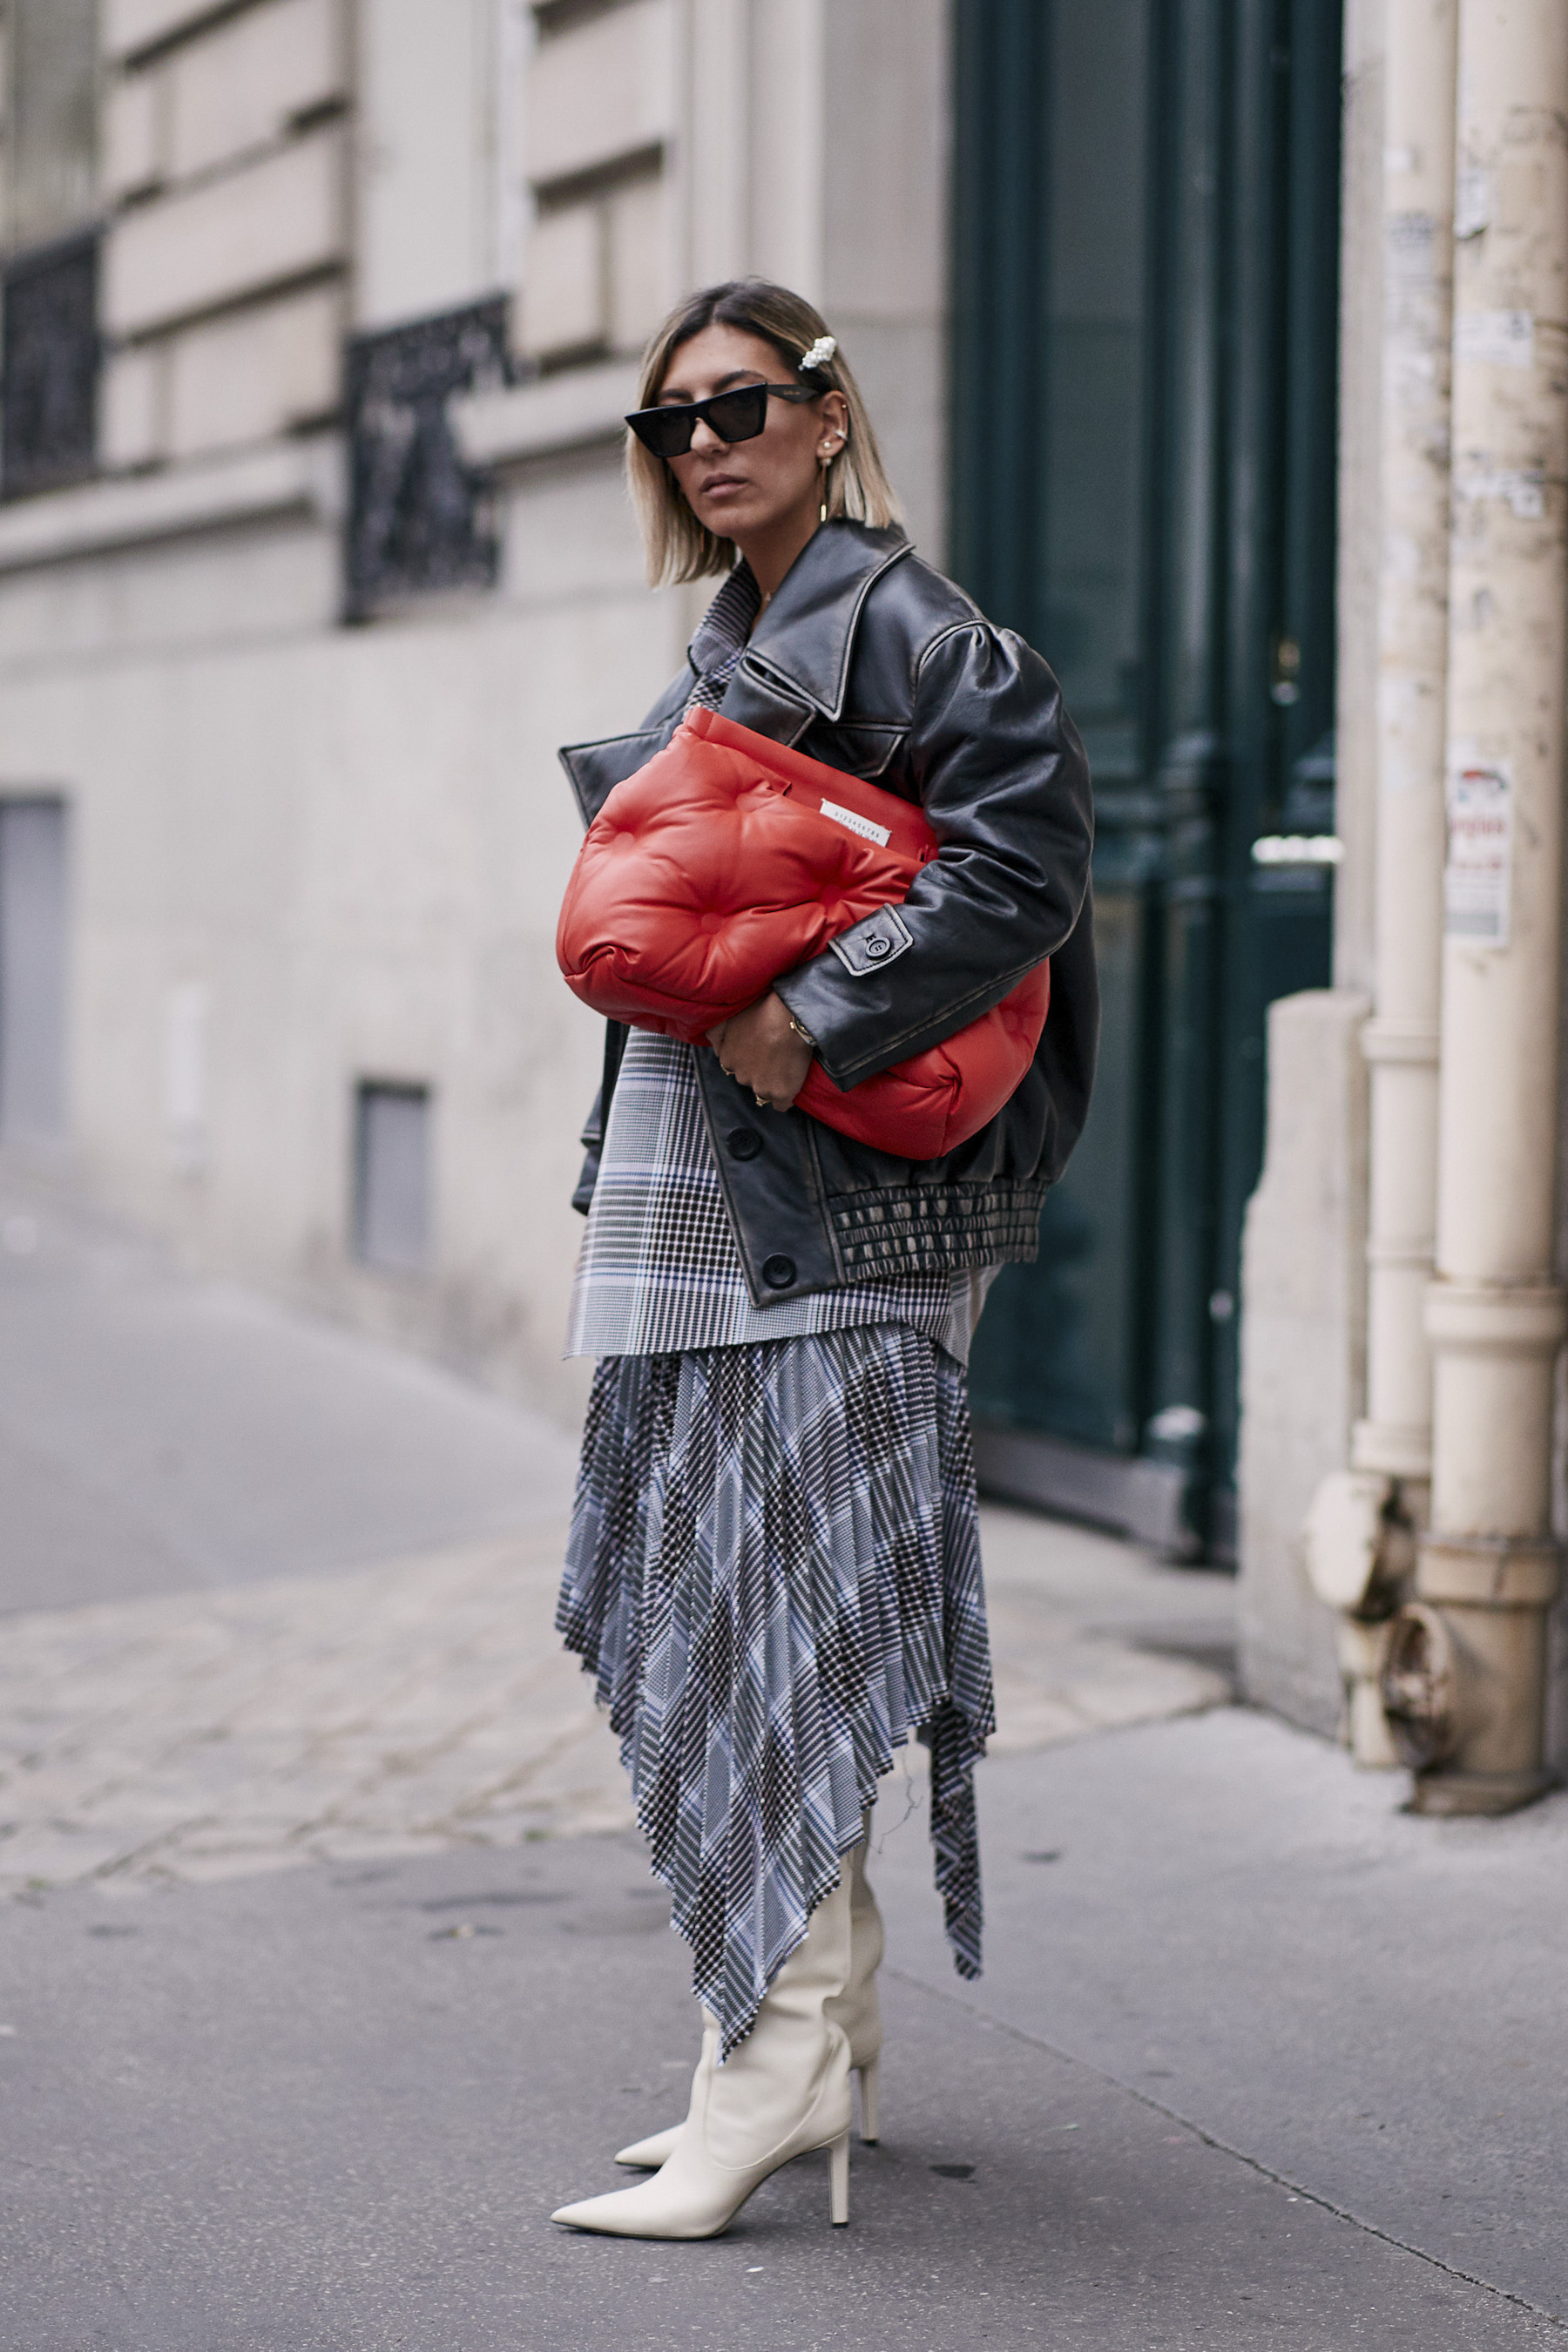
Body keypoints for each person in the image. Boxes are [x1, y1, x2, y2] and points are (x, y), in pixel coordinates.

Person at [550, 279, 1096, 2239]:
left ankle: (770, 2077)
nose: (709, 440)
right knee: (725, 1597)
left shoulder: (926, 630)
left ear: (831, 409)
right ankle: (804, 2041)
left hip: (843, 1197)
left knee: (780, 1605)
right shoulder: (733, 637)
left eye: (746, 401)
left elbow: (1023, 867)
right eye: (672, 420)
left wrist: (823, 1012)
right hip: (721, 1182)